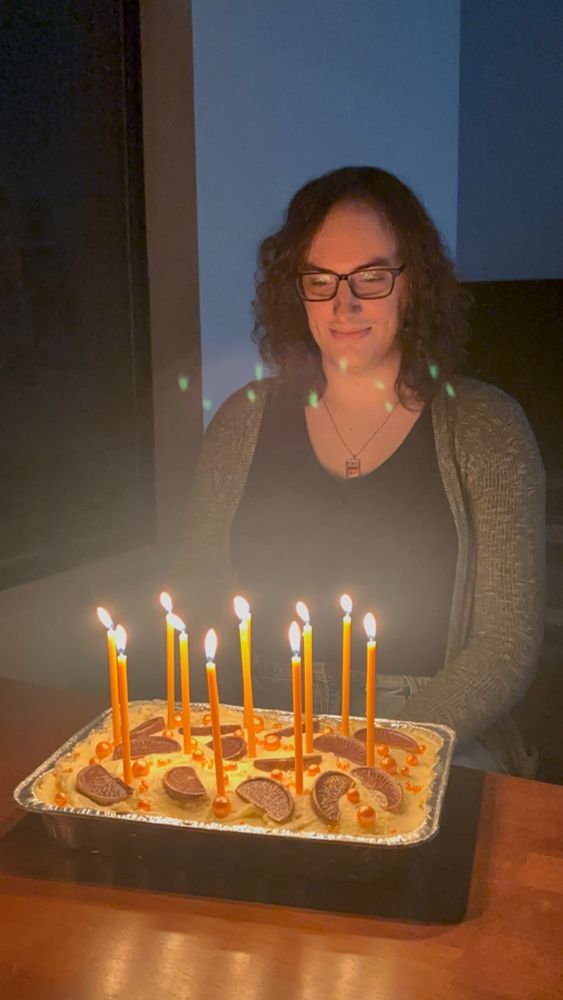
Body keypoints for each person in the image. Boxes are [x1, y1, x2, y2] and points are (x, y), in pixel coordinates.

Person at [178, 166, 545, 776]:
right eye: (320, 279)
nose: (343, 304)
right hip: (267, 734)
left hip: (434, 739)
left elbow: (506, 642)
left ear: (413, 286)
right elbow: (199, 588)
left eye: (371, 277)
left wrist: (386, 749)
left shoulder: (485, 428)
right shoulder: (243, 423)